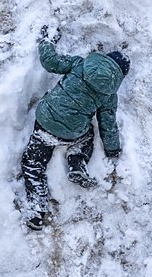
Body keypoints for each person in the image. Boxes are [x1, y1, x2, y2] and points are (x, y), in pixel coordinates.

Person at [21, 25, 130, 230]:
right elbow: (107, 124)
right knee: (88, 136)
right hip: (71, 133)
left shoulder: (80, 64)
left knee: (33, 164)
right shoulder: (109, 95)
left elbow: (50, 62)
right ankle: (77, 160)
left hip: (45, 121)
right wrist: (112, 148)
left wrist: (47, 42)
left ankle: (37, 212)